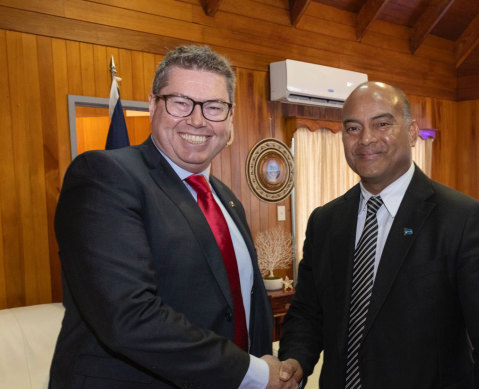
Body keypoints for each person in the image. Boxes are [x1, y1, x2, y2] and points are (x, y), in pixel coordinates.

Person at [50, 45, 296, 389]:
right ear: (153, 105)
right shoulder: (104, 176)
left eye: (213, 107)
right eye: (181, 102)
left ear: (230, 116)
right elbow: (129, 316)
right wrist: (252, 373)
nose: (197, 120)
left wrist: (265, 366)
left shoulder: (226, 199)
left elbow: (242, 305)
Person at [277, 81, 479, 388]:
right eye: (353, 128)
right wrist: (294, 362)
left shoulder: (464, 221)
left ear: (411, 133)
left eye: (382, 124)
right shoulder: (325, 221)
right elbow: (307, 313)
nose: (366, 139)